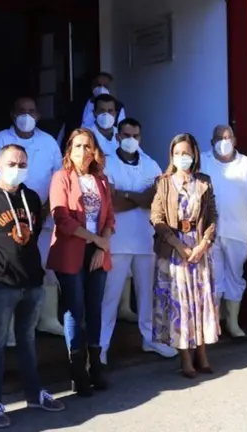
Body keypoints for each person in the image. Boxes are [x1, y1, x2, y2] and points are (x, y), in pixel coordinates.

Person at [0, 144, 65, 428]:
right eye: (11, 163)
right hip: (1, 285)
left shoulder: (30, 197)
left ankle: (34, 393)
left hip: (31, 282)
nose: (17, 169)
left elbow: (33, 233)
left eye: (22, 164)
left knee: (28, 340)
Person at [0, 97, 65, 343]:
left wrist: (47, 207)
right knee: (12, 269)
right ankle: (7, 331)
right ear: (12, 114)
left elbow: (59, 177)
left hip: (44, 216)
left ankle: (48, 319)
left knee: (47, 268)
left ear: (38, 115)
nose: (26, 116)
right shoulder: (0, 140)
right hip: (10, 217)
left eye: (31, 111)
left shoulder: (48, 141)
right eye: (21, 111)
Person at [99, 118, 176, 363]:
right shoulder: (106, 163)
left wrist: (126, 194)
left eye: (135, 135)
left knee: (147, 296)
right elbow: (111, 203)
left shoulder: (151, 165)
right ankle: (100, 346)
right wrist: (140, 197)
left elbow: (157, 200)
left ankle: (151, 340)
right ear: (118, 136)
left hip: (145, 240)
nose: (130, 140)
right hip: (116, 241)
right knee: (109, 297)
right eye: (126, 135)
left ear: (140, 138)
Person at [48, 128, 115, 396]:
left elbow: (110, 218)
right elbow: (62, 219)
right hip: (71, 251)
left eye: (88, 146)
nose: (83, 151)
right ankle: (77, 370)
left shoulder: (101, 180)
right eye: (78, 146)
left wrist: (101, 245)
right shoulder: (61, 178)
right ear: (69, 150)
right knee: (75, 309)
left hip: (97, 252)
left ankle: (95, 365)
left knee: (95, 308)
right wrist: (95, 239)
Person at [150, 133, 220, 378]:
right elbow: (156, 218)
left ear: (194, 154)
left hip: (199, 248)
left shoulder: (204, 182)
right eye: (177, 153)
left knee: (199, 302)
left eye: (186, 153)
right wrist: (179, 246)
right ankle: (185, 358)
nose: (182, 157)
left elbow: (212, 216)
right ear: (171, 156)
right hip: (174, 249)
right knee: (180, 304)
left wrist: (203, 244)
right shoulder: (163, 183)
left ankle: (202, 353)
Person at [201, 124, 247, 338]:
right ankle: (214, 323)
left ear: (235, 141)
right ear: (212, 142)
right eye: (219, 137)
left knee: (235, 277)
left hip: (238, 230)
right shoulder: (203, 161)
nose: (224, 141)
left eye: (228, 137)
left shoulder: (245, 164)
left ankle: (233, 323)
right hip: (210, 233)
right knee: (214, 278)